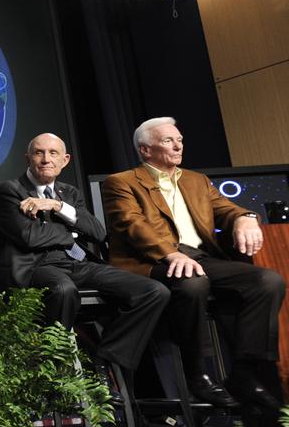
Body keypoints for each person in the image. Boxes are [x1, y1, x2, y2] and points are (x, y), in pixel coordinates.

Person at [102, 117, 284, 408]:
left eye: (180, 140)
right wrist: (170, 253)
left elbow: (225, 208)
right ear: (145, 150)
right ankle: (197, 373)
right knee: (192, 285)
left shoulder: (196, 180)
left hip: (199, 256)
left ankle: (244, 371)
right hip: (152, 260)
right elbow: (132, 224)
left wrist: (244, 217)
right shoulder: (121, 182)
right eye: (168, 141)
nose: (178, 146)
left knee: (267, 280)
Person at [0, 132, 168, 374]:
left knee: (153, 291)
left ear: (65, 160)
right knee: (63, 289)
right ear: (28, 158)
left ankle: (107, 359)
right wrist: (68, 231)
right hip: (35, 267)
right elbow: (28, 237)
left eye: (53, 153)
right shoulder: (9, 191)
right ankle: (56, 367)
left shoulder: (68, 193)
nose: (45, 159)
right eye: (39, 152)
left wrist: (58, 206)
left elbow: (96, 232)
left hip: (76, 263)